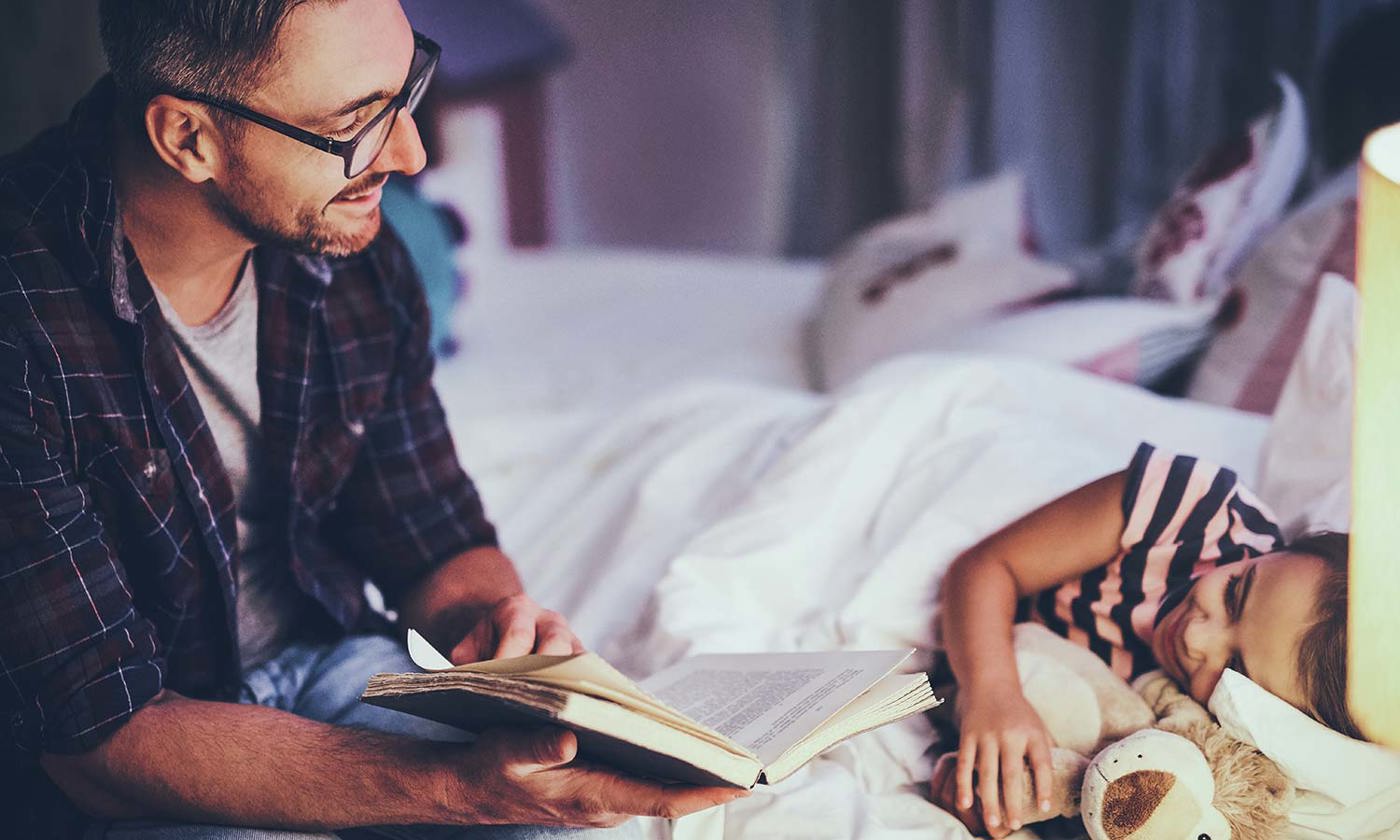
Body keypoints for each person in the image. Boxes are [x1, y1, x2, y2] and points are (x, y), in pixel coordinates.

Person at [0, 1, 745, 837]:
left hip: (328, 664)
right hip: (143, 749)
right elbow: (98, 743)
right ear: (188, 139)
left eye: (406, 91)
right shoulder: (20, 324)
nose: (411, 153)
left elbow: (428, 531)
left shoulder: (349, 247)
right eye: (355, 123)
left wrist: (499, 630)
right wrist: (459, 786)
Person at [929, 442, 1358, 837]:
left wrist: (989, 796)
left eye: (1234, 668)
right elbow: (985, 568)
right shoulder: (1195, 512)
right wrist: (992, 690)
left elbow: (1081, 800)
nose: (1194, 636)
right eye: (1234, 592)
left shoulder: (1198, 739)